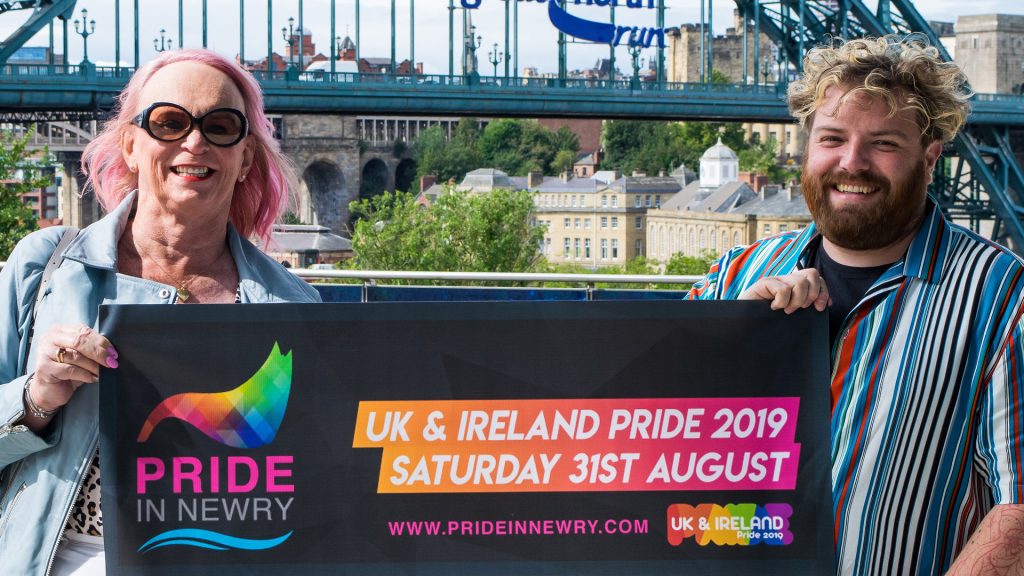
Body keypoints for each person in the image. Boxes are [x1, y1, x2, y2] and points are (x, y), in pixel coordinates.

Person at [688, 36, 1024, 575]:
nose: (852, 162)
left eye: (884, 143)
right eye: (832, 139)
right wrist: (728, 331)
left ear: (930, 157)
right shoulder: (732, 275)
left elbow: (1019, 506)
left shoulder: (1003, 297)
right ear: (808, 148)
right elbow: (647, 447)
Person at [0, 49, 321, 575]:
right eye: (169, 122)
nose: (194, 141)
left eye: (220, 126)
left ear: (245, 159)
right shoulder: (46, 269)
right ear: (130, 145)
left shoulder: (292, 306)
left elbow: (316, 484)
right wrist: (35, 399)